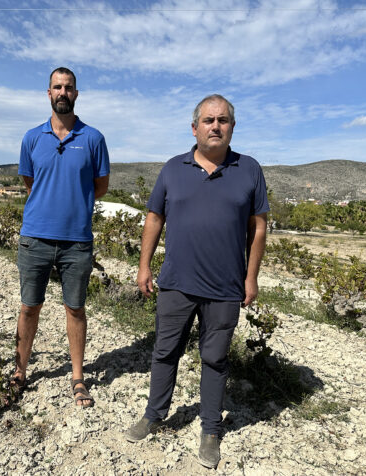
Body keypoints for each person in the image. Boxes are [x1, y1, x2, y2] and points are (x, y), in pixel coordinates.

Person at [124, 94, 269, 468]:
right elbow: (154, 218)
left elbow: (258, 228)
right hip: (175, 283)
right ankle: (154, 414)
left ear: (232, 128)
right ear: (195, 127)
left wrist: (250, 277)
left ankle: (209, 430)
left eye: (223, 120)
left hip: (225, 287)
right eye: (208, 120)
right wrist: (144, 266)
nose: (215, 126)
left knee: (215, 359)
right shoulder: (173, 168)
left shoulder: (249, 169)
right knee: (164, 351)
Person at [10, 67, 110, 408]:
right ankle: (19, 371)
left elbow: (100, 187)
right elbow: (30, 183)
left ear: (76, 94)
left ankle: (78, 378)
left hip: (77, 241)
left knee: (76, 309)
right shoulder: (31, 138)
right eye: (57, 87)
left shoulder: (93, 139)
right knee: (28, 307)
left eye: (68, 87)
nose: (63, 92)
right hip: (34, 238)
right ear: (48, 93)